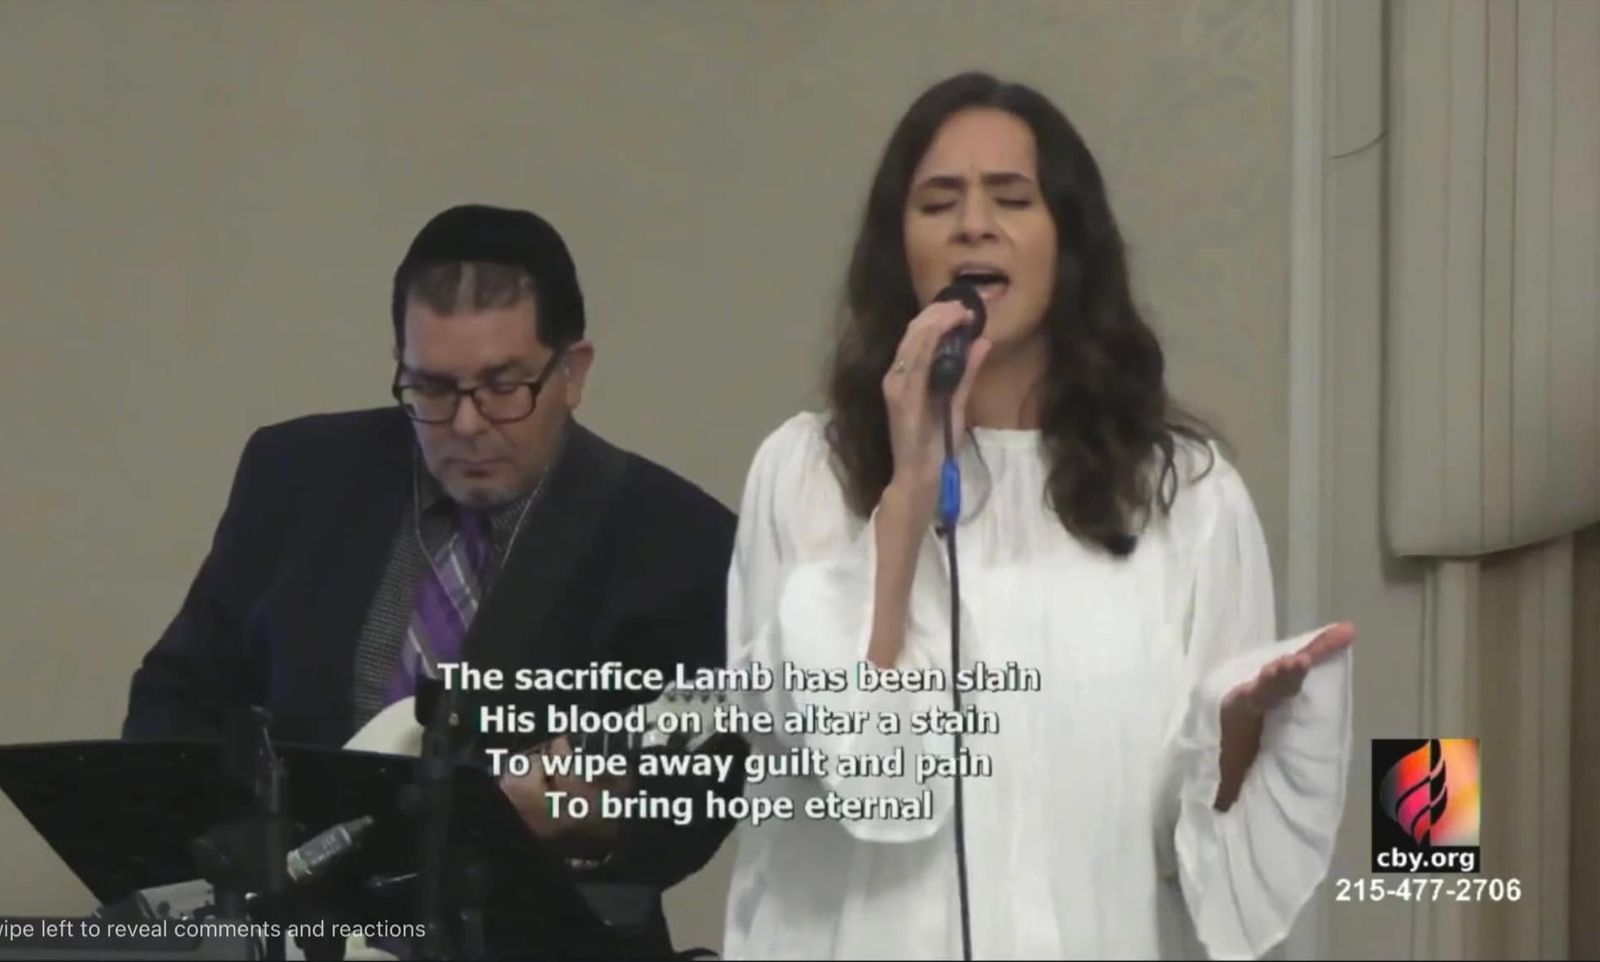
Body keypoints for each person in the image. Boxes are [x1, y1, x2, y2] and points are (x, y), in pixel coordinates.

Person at [721, 72, 1356, 960]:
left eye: (1011, 199)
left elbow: (1206, 865)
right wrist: (908, 495)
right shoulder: (806, 473)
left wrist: (1245, 732)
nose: (973, 224)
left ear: (1069, 242)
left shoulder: (1185, 493)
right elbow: (861, 779)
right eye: (938, 202)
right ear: (899, 248)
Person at [122, 203, 744, 957]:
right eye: (434, 388)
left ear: (572, 372)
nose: (468, 425)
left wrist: (602, 820)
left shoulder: (679, 541)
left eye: (504, 386)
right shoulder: (295, 475)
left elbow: (699, 799)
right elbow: (179, 695)